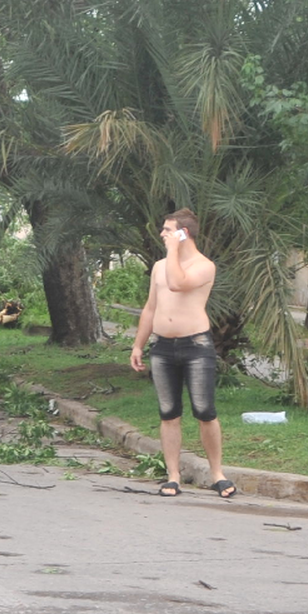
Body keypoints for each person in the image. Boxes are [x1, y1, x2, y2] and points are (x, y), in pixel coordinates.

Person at [129, 208, 237, 500]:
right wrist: (138, 344)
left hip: (196, 346)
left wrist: (174, 250)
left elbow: (177, 283)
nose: (162, 234)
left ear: (182, 233)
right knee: (169, 413)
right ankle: (173, 475)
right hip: (163, 347)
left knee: (204, 411)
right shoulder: (158, 266)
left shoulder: (204, 266)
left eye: (167, 230)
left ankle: (217, 474)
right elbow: (150, 308)